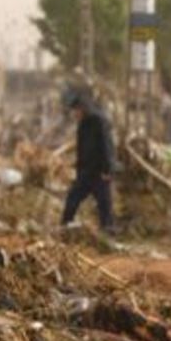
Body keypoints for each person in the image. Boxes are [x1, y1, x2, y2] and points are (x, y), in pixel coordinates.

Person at [60, 87, 116, 233]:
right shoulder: (82, 125)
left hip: (99, 172)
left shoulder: (99, 122)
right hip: (86, 172)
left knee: (105, 205)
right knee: (72, 199)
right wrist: (78, 170)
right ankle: (65, 226)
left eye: (76, 110)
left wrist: (107, 169)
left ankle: (108, 231)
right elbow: (80, 149)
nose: (75, 114)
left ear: (83, 108)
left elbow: (107, 146)